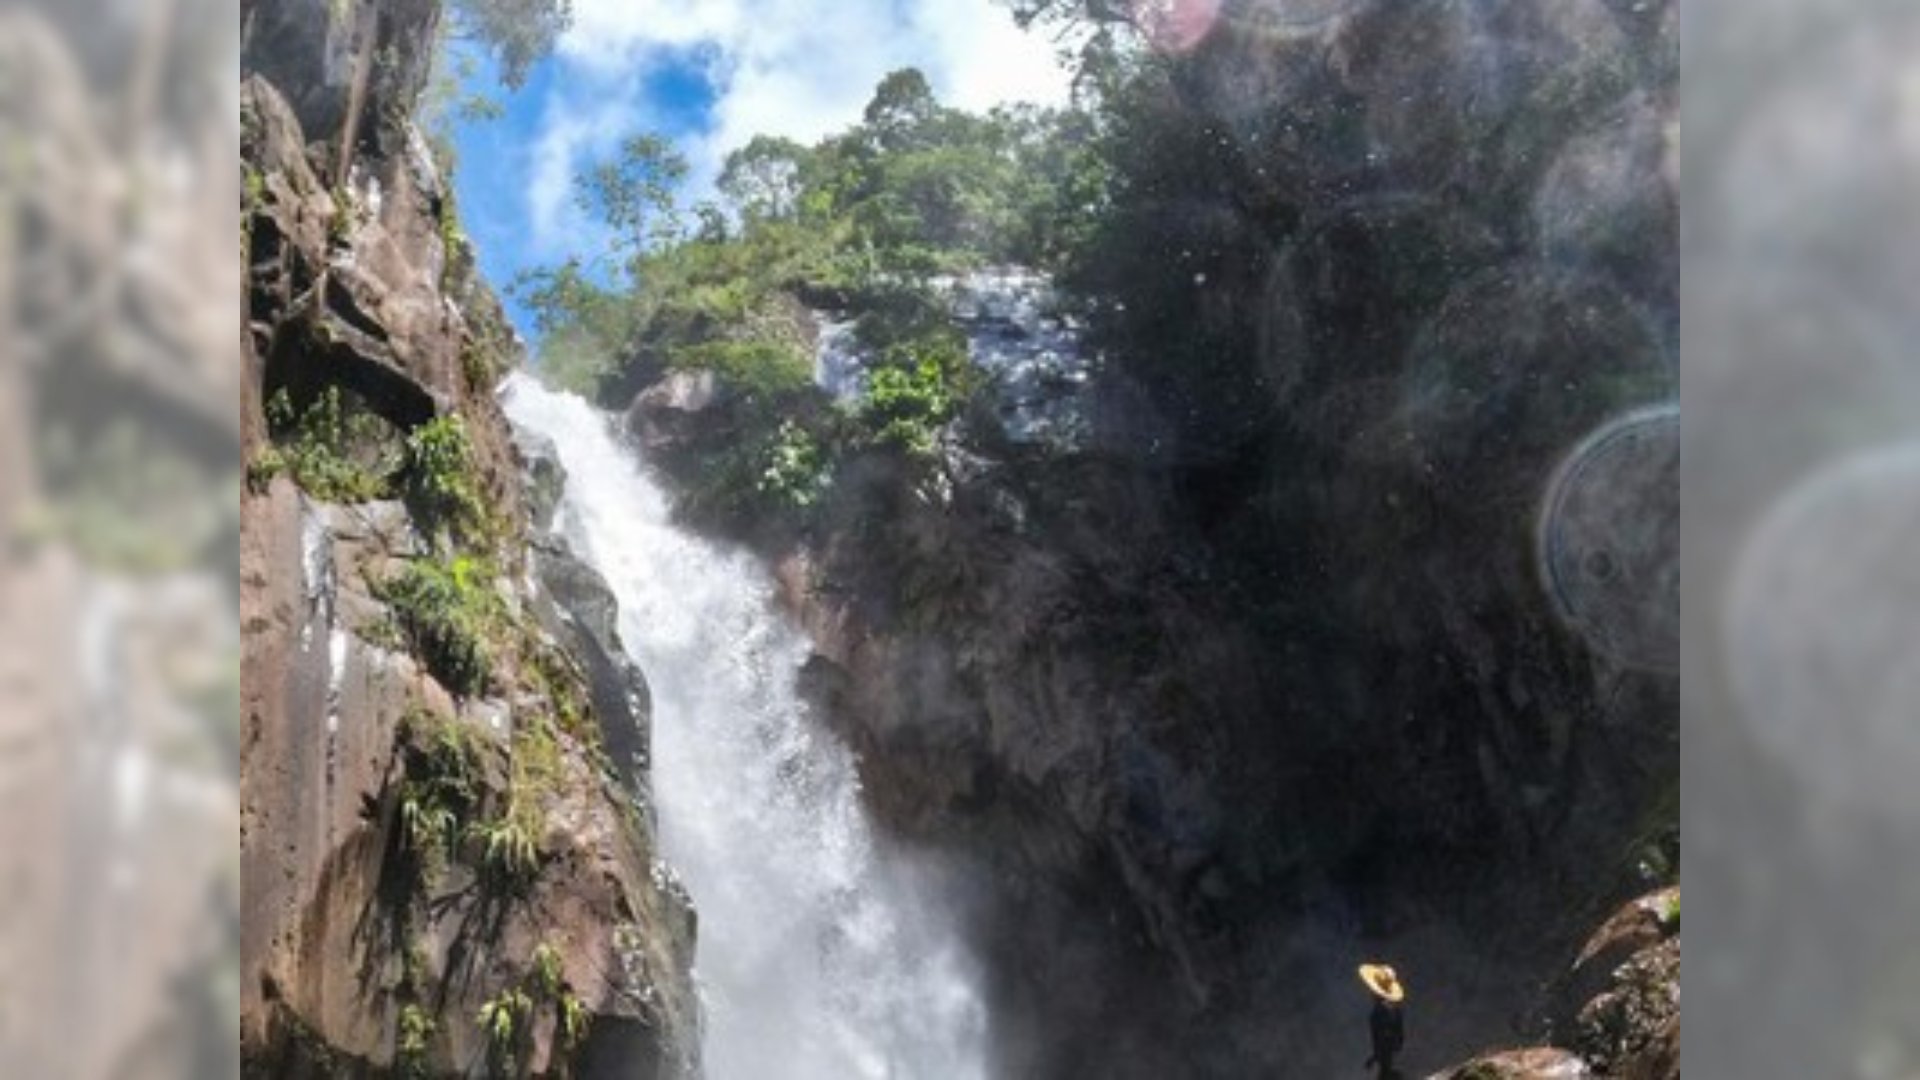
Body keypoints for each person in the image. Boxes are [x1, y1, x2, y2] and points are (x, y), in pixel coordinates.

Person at [1358, 962, 1406, 1079]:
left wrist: (1376, 1056)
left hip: (1386, 1057)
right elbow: (1398, 1037)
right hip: (1387, 1055)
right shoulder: (1394, 1009)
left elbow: (1384, 1038)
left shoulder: (1381, 1011)